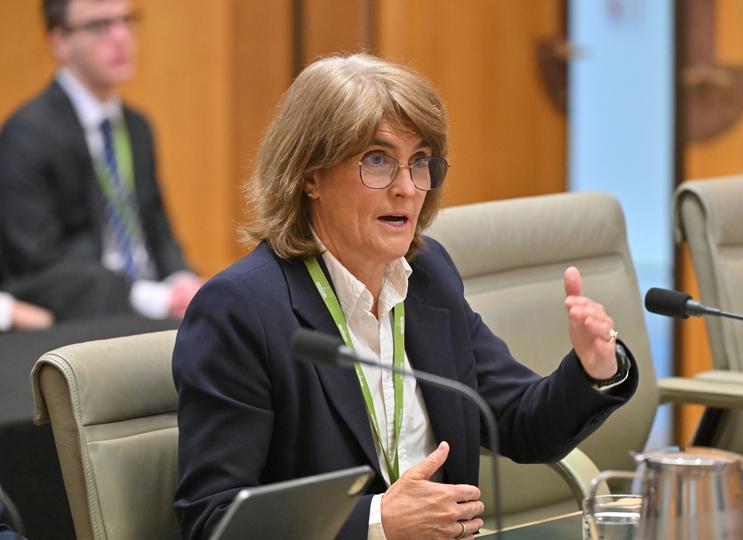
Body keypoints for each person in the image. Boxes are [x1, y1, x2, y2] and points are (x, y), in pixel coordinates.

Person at [172, 53, 638, 540]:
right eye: (377, 160)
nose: (407, 188)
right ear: (310, 175)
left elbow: (519, 423)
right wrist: (377, 522)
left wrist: (593, 369)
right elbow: (213, 522)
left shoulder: (427, 275)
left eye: (420, 162)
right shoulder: (241, 311)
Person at [0, 0, 201, 323]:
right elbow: (37, 259)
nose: (121, 36)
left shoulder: (137, 127)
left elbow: (156, 228)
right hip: (86, 312)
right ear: (59, 41)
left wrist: (182, 282)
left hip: (151, 302)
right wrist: (145, 296)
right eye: (98, 26)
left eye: (126, 20)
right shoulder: (27, 133)